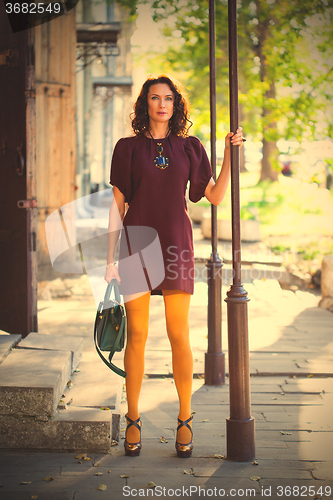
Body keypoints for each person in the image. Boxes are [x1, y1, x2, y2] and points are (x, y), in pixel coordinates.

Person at [105, 75, 243, 458]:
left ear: (175, 104)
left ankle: (185, 419)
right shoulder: (127, 148)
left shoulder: (190, 147)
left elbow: (213, 196)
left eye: (168, 98)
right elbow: (117, 206)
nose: (162, 104)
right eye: (154, 98)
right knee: (136, 335)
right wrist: (109, 260)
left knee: (178, 334)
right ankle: (132, 419)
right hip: (135, 245)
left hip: (176, 246)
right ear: (144, 104)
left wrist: (230, 154)